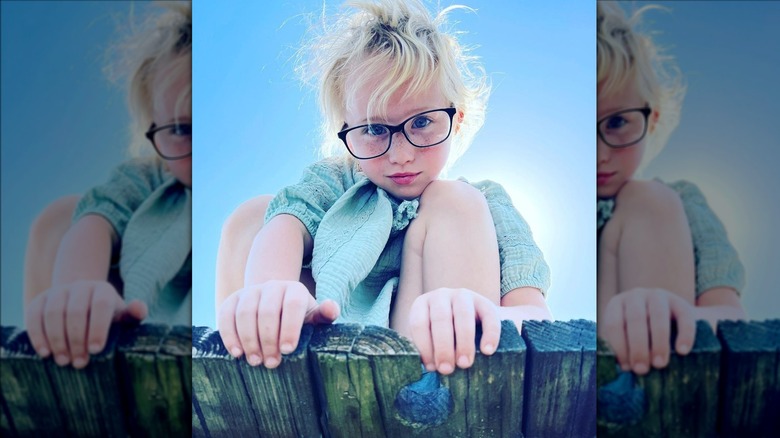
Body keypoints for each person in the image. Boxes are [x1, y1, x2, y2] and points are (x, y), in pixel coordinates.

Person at [216, 0, 552, 375]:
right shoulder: (337, 180)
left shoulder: (487, 204)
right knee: (255, 216)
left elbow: (534, 315)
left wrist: (485, 314)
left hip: (425, 356)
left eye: (422, 122)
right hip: (321, 341)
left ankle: (450, 379)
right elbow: (287, 223)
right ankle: (252, 358)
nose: (402, 154)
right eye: (375, 130)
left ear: (456, 119)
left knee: (455, 200)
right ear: (347, 131)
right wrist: (272, 289)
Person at [23, 2, 192, 369]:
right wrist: (78, 287)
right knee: (61, 216)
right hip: (131, 334)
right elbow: (96, 221)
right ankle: (61, 354)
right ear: (154, 129)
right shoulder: (150, 179)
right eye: (182, 130)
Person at [596, 2, 746, 375]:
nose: (598, 154)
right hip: (578, 372)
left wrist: (674, 313)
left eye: (616, 122)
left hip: (674, 359)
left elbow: (731, 319)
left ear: (653, 118)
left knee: (650, 198)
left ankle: (661, 378)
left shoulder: (681, 203)